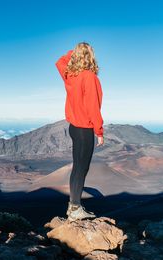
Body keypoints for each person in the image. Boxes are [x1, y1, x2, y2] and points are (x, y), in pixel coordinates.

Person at [55, 42, 104, 221]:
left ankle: (73, 207)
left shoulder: (70, 75)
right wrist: (99, 132)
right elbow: (93, 107)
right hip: (84, 129)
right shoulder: (89, 77)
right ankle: (75, 209)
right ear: (91, 56)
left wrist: (74, 52)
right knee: (82, 168)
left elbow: (60, 62)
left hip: (73, 128)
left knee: (77, 167)